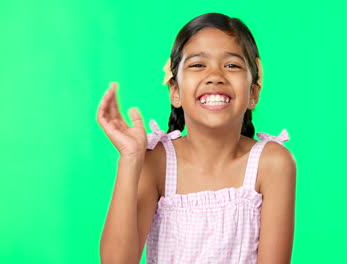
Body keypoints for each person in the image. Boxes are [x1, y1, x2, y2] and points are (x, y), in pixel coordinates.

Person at [98, 12, 297, 264]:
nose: (215, 75)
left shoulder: (272, 163)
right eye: (197, 65)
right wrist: (130, 159)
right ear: (175, 91)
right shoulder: (156, 161)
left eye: (232, 65)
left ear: (253, 94)